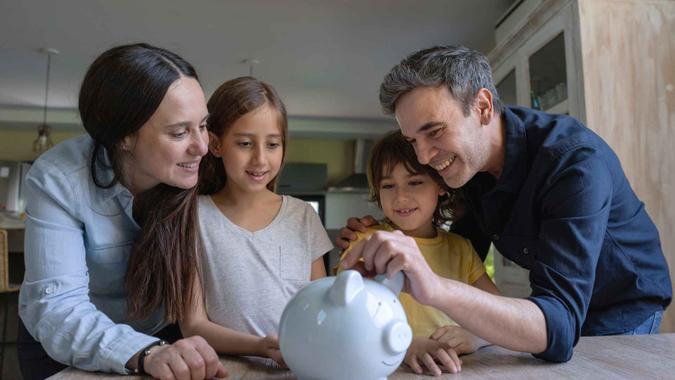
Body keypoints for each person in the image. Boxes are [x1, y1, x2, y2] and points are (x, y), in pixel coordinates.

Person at [339, 45, 672, 363]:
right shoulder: (468, 165)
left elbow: (558, 326)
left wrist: (440, 290)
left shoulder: (573, 163)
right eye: (413, 141)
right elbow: (457, 252)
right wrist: (386, 236)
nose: (423, 156)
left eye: (435, 132)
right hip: (555, 310)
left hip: (620, 304)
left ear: (483, 107)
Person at [17, 43, 227, 380]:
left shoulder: (202, 167)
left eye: (202, 125)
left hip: (163, 340)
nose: (202, 147)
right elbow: (59, 309)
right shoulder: (59, 178)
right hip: (63, 344)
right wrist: (144, 352)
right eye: (179, 132)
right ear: (124, 137)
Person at [179, 76, 332, 366]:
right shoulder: (193, 218)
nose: (260, 159)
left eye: (273, 144)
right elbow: (193, 325)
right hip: (225, 369)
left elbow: (320, 306)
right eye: (246, 143)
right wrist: (261, 346)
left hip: (299, 369)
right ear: (215, 144)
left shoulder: (303, 216)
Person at [338, 130, 499, 375]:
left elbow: (501, 314)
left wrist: (475, 337)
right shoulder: (366, 241)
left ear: (441, 186)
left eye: (415, 182)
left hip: (456, 370)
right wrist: (404, 344)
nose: (400, 197)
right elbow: (344, 319)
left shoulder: (460, 248)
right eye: (388, 185)